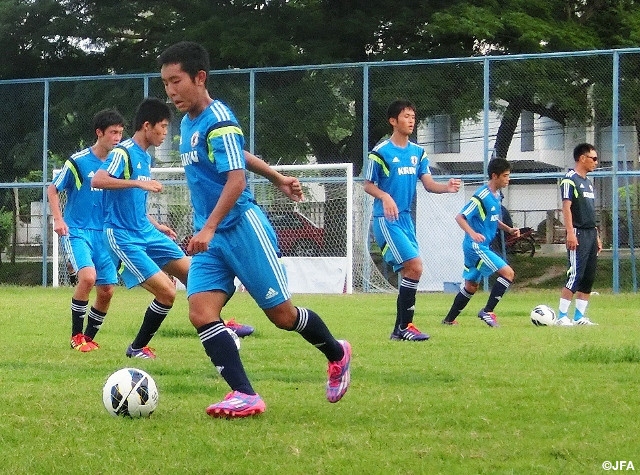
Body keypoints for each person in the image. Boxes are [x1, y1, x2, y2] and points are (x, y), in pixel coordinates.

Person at [158, 41, 351, 418]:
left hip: (240, 227)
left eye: (176, 81)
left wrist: (210, 227)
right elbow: (239, 155)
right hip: (211, 236)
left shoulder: (219, 118)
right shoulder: (188, 124)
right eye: (165, 83)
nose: (170, 91)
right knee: (200, 311)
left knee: (282, 316)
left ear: (200, 77)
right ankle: (244, 395)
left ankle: (336, 351)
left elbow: (235, 179)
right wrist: (278, 176)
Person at [364, 99, 461, 341]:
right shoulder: (381, 153)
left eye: (413, 117)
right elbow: (367, 185)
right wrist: (385, 196)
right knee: (415, 267)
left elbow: (428, 184)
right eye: (406, 116)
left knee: (411, 271)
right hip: (386, 220)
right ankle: (405, 327)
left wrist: (446, 188)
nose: (411, 121)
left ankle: (400, 330)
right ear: (393, 121)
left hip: (406, 220)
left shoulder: (418, 153)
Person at [47, 109, 124, 352]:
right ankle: (76, 336)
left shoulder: (118, 163)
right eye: (113, 132)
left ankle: (88, 339)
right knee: (88, 277)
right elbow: (53, 189)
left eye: (121, 133)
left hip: (105, 235)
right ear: (99, 133)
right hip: (78, 230)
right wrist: (58, 220)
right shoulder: (78, 161)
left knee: (107, 290)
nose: (117, 138)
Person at [442, 158, 520, 327]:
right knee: (508, 273)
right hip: (475, 246)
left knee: (471, 286)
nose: (508, 179)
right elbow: (460, 217)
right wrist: (473, 233)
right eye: (505, 176)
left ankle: (449, 320)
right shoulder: (481, 195)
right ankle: (488, 311)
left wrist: (508, 229)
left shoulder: (496, 195)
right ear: (495, 176)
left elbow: (492, 219)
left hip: (479, 246)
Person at [556, 143, 601, 326]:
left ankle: (579, 317)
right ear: (582, 158)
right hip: (578, 232)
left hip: (590, 233)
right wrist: (570, 233)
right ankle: (561, 316)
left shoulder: (588, 183)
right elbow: (566, 207)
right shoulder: (570, 180)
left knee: (588, 277)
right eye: (594, 158)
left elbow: (590, 211)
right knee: (575, 275)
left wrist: (596, 235)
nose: (596, 163)